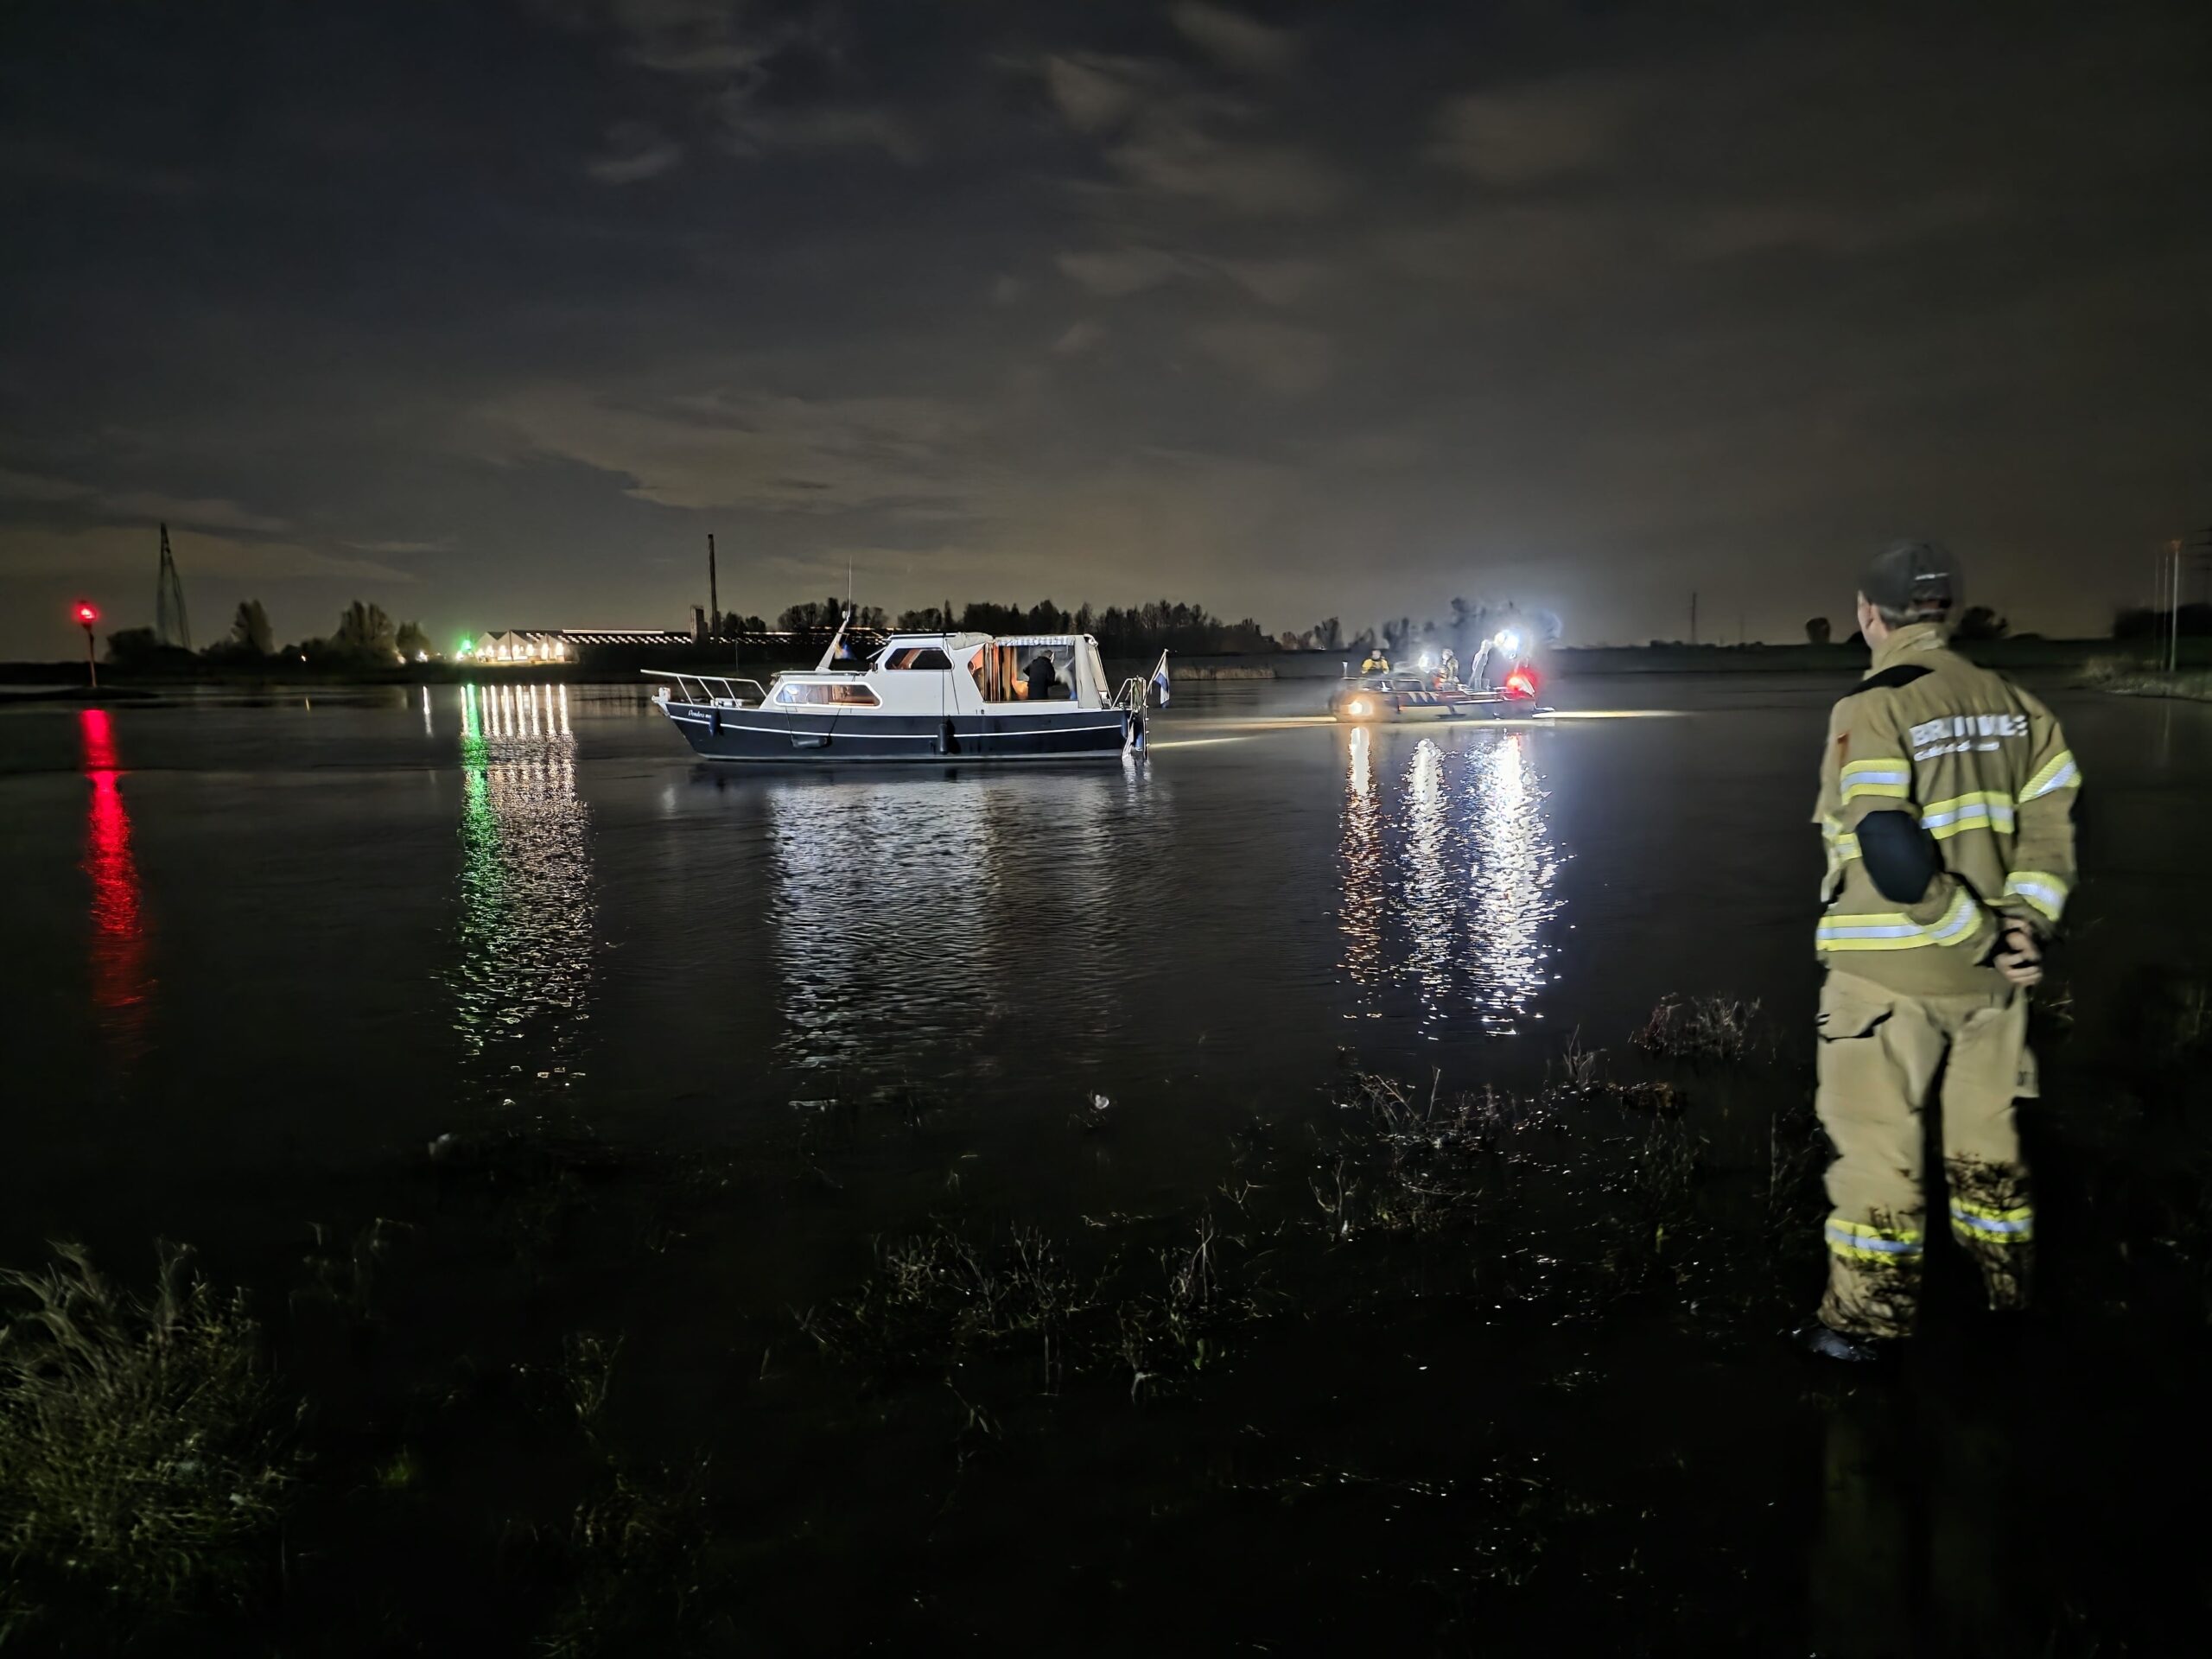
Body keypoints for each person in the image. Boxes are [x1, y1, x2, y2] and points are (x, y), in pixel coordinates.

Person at [1802, 540, 2080, 1361]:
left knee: (1877, 1153)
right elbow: (2056, 829)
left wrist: (1978, 933)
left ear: (1868, 614)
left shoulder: (1875, 705)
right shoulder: (2019, 705)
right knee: (1987, 1147)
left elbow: (1889, 847)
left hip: (1885, 983)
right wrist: (2022, 929)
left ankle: (1866, 1327)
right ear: (1946, 610)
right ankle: (2004, 1296)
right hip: (1994, 990)